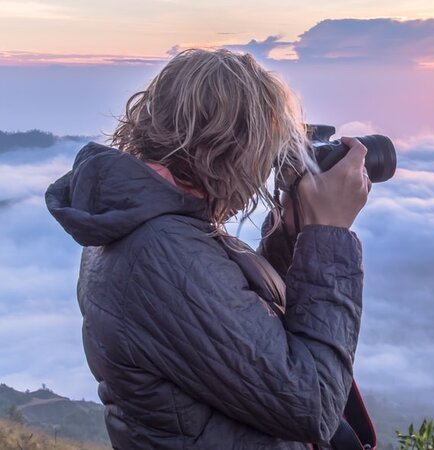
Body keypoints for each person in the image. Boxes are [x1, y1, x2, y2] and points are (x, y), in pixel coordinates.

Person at [44, 48, 371, 449]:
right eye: (263, 153)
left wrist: (291, 237)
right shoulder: (160, 252)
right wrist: (328, 235)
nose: (262, 173)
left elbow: (242, 327)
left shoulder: (150, 220)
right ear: (231, 148)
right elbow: (314, 404)